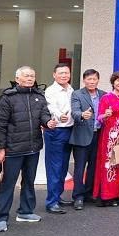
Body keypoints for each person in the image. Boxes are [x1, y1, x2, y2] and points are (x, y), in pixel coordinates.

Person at [0, 66, 55, 233]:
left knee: (29, 181)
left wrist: (48, 122)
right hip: (13, 149)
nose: (29, 78)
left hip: (33, 148)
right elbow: (1, 125)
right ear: (17, 79)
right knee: (8, 183)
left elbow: (44, 114)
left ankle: (25, 211)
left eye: (32, 76)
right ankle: (1, 217)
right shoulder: (7, 98)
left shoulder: (39, 96)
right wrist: (0, 148)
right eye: (26, 76)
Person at [95, 72, 119, 206]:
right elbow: (99, 118)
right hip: (110, 137)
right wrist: (105, 115)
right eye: (117, 80)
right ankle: (108, 196)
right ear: (113, 82)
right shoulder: (106, 98)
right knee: (110, 165)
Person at [70, 69, 104, 209]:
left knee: (93, 167)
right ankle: (78, 196)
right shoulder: (77, 94)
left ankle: (89, 193)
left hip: (98, 135)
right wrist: (82, 115)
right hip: (82, 136)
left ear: (98, 80)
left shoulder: (103, 94)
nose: (92, 82)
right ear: (84, 80)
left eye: (94, 79)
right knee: (79, 168)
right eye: (89, 79)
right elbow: (74, 112)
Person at [43, 63, 74, 214]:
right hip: (56, 131)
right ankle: (51, 202)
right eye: (61, 73)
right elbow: (51, 107)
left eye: (66, 73)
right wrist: (59, 116)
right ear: (54, 75)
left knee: (63, 167)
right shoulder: (50, 91)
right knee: (54, 167)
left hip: (70, 130)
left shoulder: (71, 89)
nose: (64, 75)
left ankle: (58, 196)